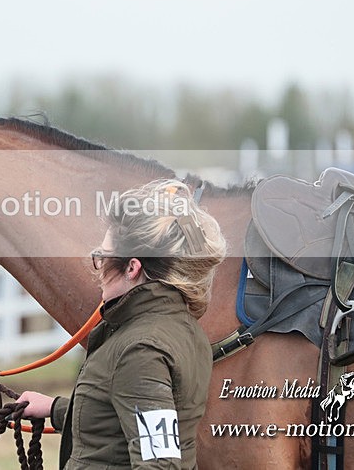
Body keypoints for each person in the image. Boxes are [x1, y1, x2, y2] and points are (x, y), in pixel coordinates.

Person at [17, 179, 226, 469]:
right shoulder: (179, 329)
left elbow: (159, 463)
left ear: (132, 267)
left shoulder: (141, 349)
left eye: (103, 255)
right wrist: (55, 409)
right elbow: (132, 416)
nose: (98, 264)